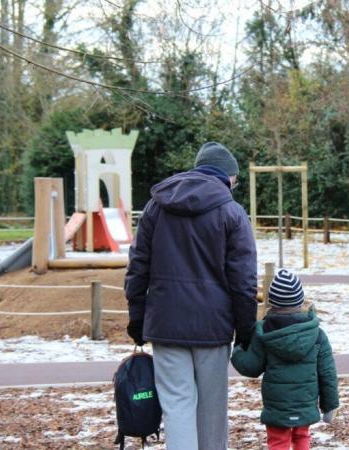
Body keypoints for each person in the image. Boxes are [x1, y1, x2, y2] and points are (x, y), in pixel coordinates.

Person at [124, 141, 257, 450]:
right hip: (214, 326)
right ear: (228, 176)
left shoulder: (156, 206)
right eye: (235, 179)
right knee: (212, 411)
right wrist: (246, 327)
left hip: (166, 323)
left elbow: (138, 265)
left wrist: (137, 316)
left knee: (177, 406)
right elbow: (243, 280)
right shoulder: (232, 213)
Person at [231, 268, 339, 450]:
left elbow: (251, 367)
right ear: (300, 300)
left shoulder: (264, 333)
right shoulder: (317, 335)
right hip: (305, 402)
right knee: (302, 437)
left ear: (272, 302)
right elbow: (327, 373)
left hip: (277, 405)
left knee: (278, 441)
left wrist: (238, 350)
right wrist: (330, 406)